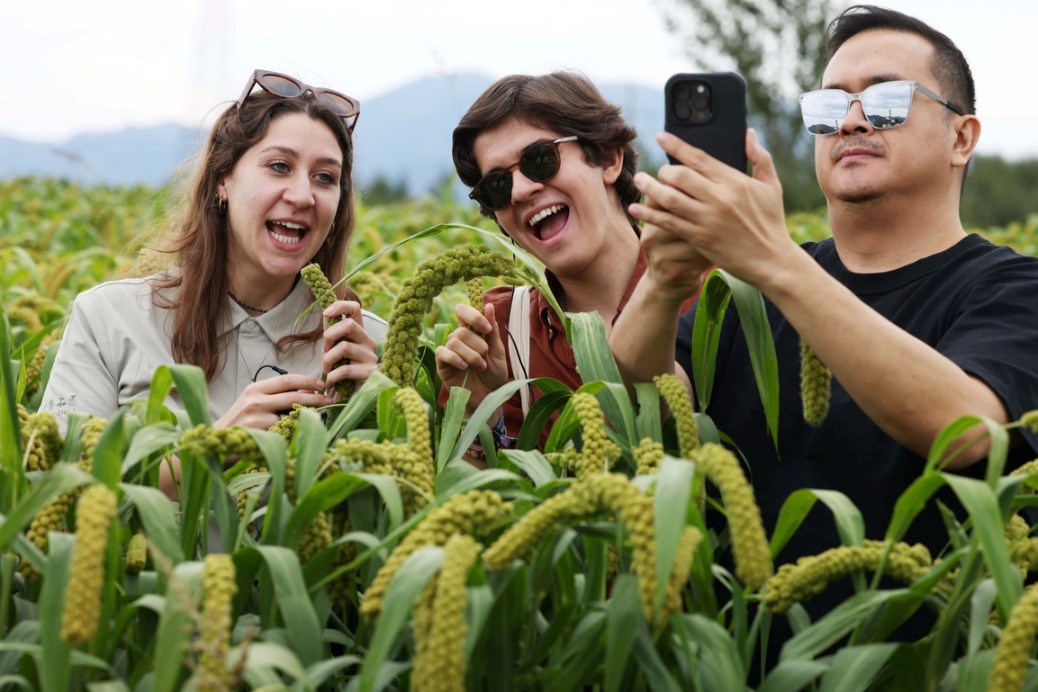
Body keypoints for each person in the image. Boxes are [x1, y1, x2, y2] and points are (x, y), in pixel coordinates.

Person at [615, 2, 1038, 640]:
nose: (854, 120)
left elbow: (968, 429)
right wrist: (665, 280)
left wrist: (775, 260)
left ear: (962, 138)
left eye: (889, 100)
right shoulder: (749, 295)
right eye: (830, 105)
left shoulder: (1012, 289)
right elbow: (640, 392)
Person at [41, 69, 386, 466]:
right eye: (278, 166)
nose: (302, 195)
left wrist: (374, 405)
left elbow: (423, 499)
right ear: (224, 178)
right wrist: (217, 448)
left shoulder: (368, 347)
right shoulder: (108, 320)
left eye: (325, 177)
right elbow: (59, 486)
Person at [434, 71, 692, 458]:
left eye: (540, 160)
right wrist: (479, 414)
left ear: (608, 158)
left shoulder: (716, 296)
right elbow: (479, 505)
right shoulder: (500, 329)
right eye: (497, 186)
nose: (521, 191)